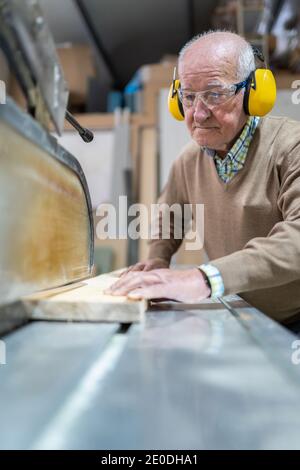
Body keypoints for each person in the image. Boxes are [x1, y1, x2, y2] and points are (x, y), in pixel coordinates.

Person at [106, 30, 300, 326]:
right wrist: (158, 257)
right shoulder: (189, 159)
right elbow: (170, 214)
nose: (197, 113)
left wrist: (203, 278)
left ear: (254, 92)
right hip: (244, 317)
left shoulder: (291, 146)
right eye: (188, 95)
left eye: (214, 94)